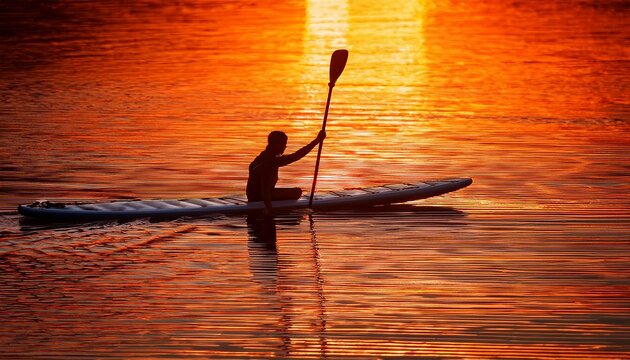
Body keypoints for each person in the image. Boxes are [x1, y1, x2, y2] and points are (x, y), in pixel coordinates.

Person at [247, 130, 326, 214]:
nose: (285, 147)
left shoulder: (265, 156)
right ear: (276, 145)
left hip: (253, 196)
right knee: (297, 192)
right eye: (284, 144)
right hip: (259, 197)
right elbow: (265, 187)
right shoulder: (269, 161)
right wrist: (268, 208)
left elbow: (295, 156)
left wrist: (317, 140)